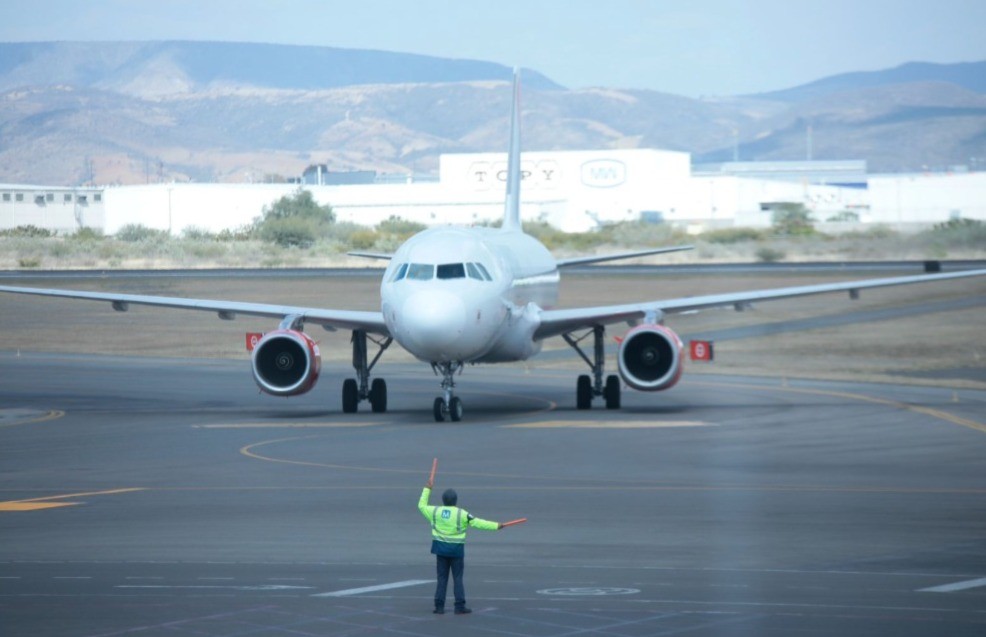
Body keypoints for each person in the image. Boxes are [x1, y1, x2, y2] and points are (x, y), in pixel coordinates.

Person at [418, 474, 502, 614]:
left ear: (443, 500)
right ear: (455, 501)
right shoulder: (462, 514)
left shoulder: (435, 511)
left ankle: (439, 607)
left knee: (442, 578)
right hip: (456, 551)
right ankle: (459, 605)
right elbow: (479, 523)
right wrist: (496, 526)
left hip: (440, 550)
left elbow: (421, 505)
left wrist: (427, 488)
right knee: (457, 578)